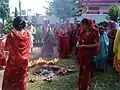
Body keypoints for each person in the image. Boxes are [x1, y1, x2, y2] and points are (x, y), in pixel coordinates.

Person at [2, 16, 31, 90]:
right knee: (20, 79)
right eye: (20, 23)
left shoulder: (11, 34)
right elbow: (28, 48)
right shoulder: (26, 34)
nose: (21, 25)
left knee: (11, 78)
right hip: (22, 61)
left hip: (13, 62)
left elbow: (7, 48)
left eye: (21, 24)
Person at [76, 18, 100, 90]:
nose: (82, 26)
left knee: (86, 71)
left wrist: (85, 46)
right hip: (82, 54)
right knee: (81, 69)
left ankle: (85, 86)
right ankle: (81, 85)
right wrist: (77, 44)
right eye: (82, 24)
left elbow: (97, 44)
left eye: (84, 24)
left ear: (88, 24)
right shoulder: (82, 32)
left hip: (89, 55)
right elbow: (78, 40)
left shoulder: (94, 32)